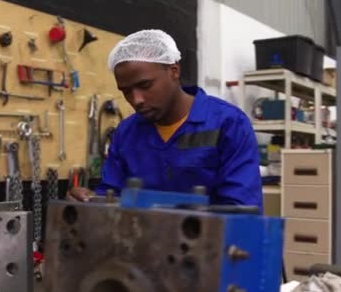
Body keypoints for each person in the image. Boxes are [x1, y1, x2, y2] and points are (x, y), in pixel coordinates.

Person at [68, 29, 262, 212]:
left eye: (145, 85)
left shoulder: (228, 124)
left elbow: (242, 209)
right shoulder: (126, 134)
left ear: (174, 71)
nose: (137, 100)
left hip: (212, 245)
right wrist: (90, 201)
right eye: (126, 91)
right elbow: (110, 194)